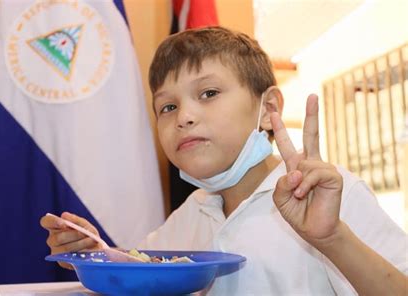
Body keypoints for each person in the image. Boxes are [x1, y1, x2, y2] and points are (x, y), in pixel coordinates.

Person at [40, 27, 407, 295]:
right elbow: (147, 269)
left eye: (209, 93)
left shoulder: (330, 195)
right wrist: (98, 254)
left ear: (269, 109)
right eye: (167, 106)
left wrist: (333, 238)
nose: (183, 116)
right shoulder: (192, 212)